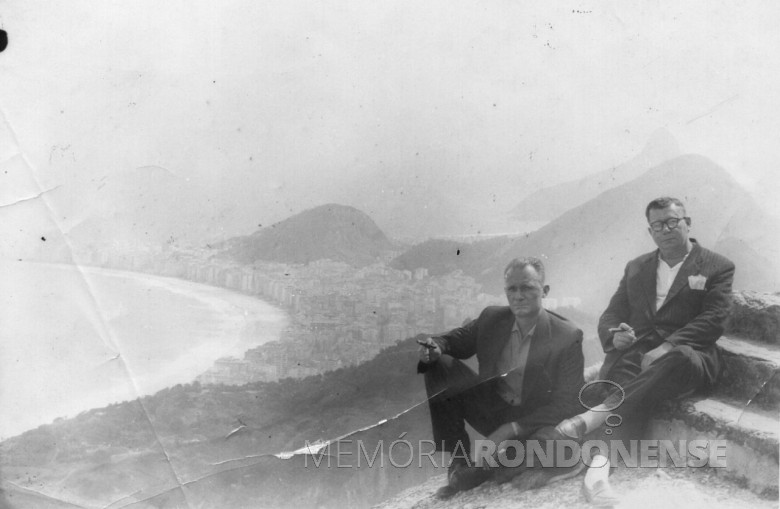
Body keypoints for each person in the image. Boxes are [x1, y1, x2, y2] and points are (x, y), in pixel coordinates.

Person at [554, 196, 735, 506]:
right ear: (650, 231)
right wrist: (615, 336)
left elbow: (714, 319)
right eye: (657, 225)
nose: (665, 230)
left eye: (672, 222)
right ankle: (597, 475)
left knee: (677, 357)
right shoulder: (637, 267)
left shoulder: (717, 266)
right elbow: (611, 315)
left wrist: (667, 345)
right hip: (639, 355)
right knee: (632, 389)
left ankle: (593, 417)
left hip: (689, 357)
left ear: (687, 224)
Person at [417, 257, 585, 498]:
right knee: (438, 365)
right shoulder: (493, 319)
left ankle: (496, 464)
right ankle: (460, 461)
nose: (518, 296)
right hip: (494, 410)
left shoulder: (567, 336)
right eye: (512, 289)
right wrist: (436, 347)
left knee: (545, 447)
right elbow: (457, 340)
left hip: (534, 419)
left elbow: (569, 402)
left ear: (544, 291)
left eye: (527, 287)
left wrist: (511, 428)